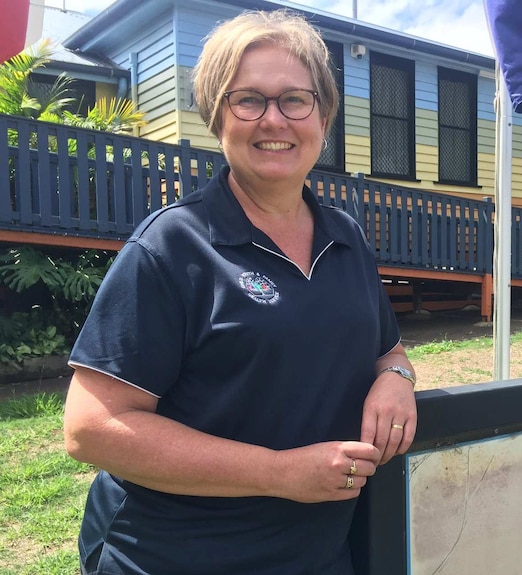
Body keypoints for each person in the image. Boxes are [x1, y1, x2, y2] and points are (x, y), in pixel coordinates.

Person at [63, 9, 417, 574]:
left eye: (295, 100)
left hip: (322, 554)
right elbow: (92, 430)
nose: (274, 120)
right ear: (216, 116)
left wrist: (396, 380)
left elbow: (387, 351)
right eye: (248, 99)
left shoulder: (345, 237)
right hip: (180, 556)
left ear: (322, 116)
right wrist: (277, 472)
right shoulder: (172, 247)